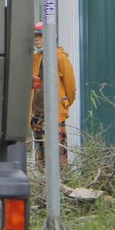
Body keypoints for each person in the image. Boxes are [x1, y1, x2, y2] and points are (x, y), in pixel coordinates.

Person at [29, 22, 76, 163]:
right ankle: (43, 183)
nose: (36, 39)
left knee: (57, 155)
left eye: (40, 36)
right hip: (37, 114)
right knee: (41, 156)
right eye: (35, 36)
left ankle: (61, 183)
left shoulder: (60, 57)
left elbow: (71, 87)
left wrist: (64, 103)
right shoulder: (36, 58)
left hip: (53, 115)